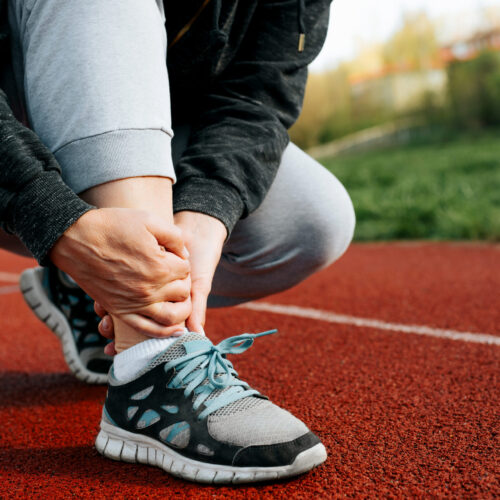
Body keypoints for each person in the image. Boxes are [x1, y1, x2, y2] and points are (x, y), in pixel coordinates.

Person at [0, 0, 355, 484]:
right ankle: (152, 362)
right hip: (13, 140)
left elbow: (258, 94)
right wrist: (50, 216)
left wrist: (207, 212)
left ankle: (90, 291)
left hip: (137, 141)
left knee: (313, 221)